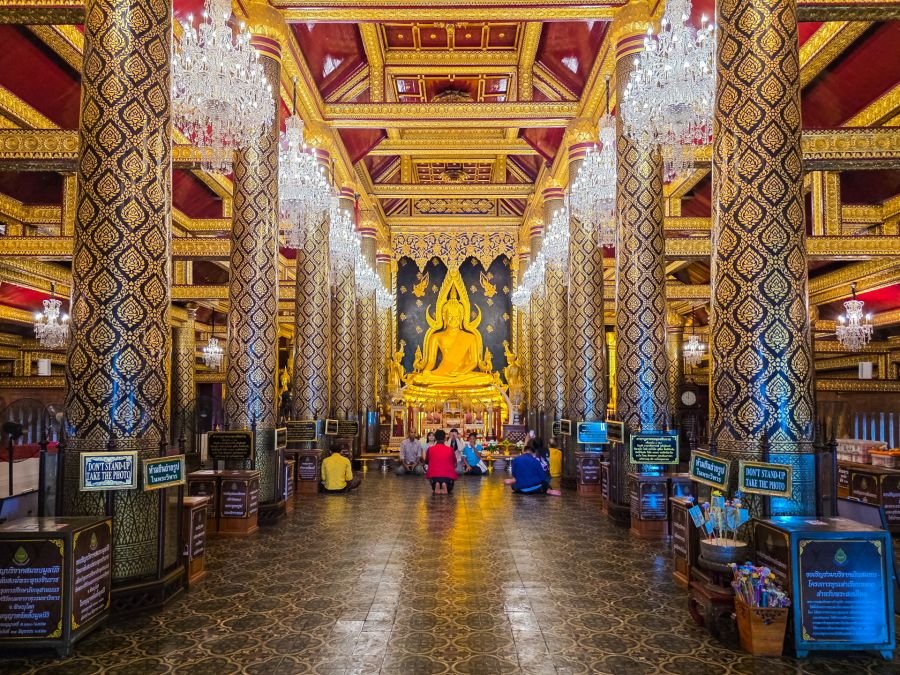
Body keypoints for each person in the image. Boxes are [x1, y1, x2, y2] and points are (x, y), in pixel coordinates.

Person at [425, 429, 457, 495]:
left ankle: (436, 483)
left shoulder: (430, 449)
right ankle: (444, 484)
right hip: (448, 477)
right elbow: (455, 463)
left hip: (434, 476)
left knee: (434, 478)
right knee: (449, 486)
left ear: (435, 438)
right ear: (445, 438)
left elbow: (426, 462)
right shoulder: (450, 449)